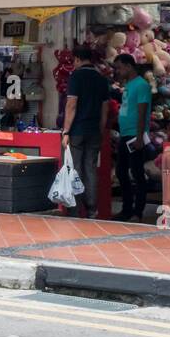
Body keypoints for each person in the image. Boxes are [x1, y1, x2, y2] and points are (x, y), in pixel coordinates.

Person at [61, 45, 109, 219]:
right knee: (90, 169)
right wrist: (100, 129)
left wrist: (66, 131)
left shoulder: (76, 76)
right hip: (94, 131)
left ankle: (75, 209)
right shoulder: (101, 79)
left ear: (77, 60)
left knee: (76, 169)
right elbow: (105, 109)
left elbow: (71, 105)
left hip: (77, 130)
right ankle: (92, 210)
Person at [113, 54, 152, 222]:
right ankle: (127, 209)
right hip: (125, 134)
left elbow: (142, 111)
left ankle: (137, 211)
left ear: (129, 66)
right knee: (121, 172)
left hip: (134, 135)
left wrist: (139, 136)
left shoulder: (142, 85)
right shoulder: (128, 85)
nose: (118, 71)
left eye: (120, 67)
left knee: (137, 173)